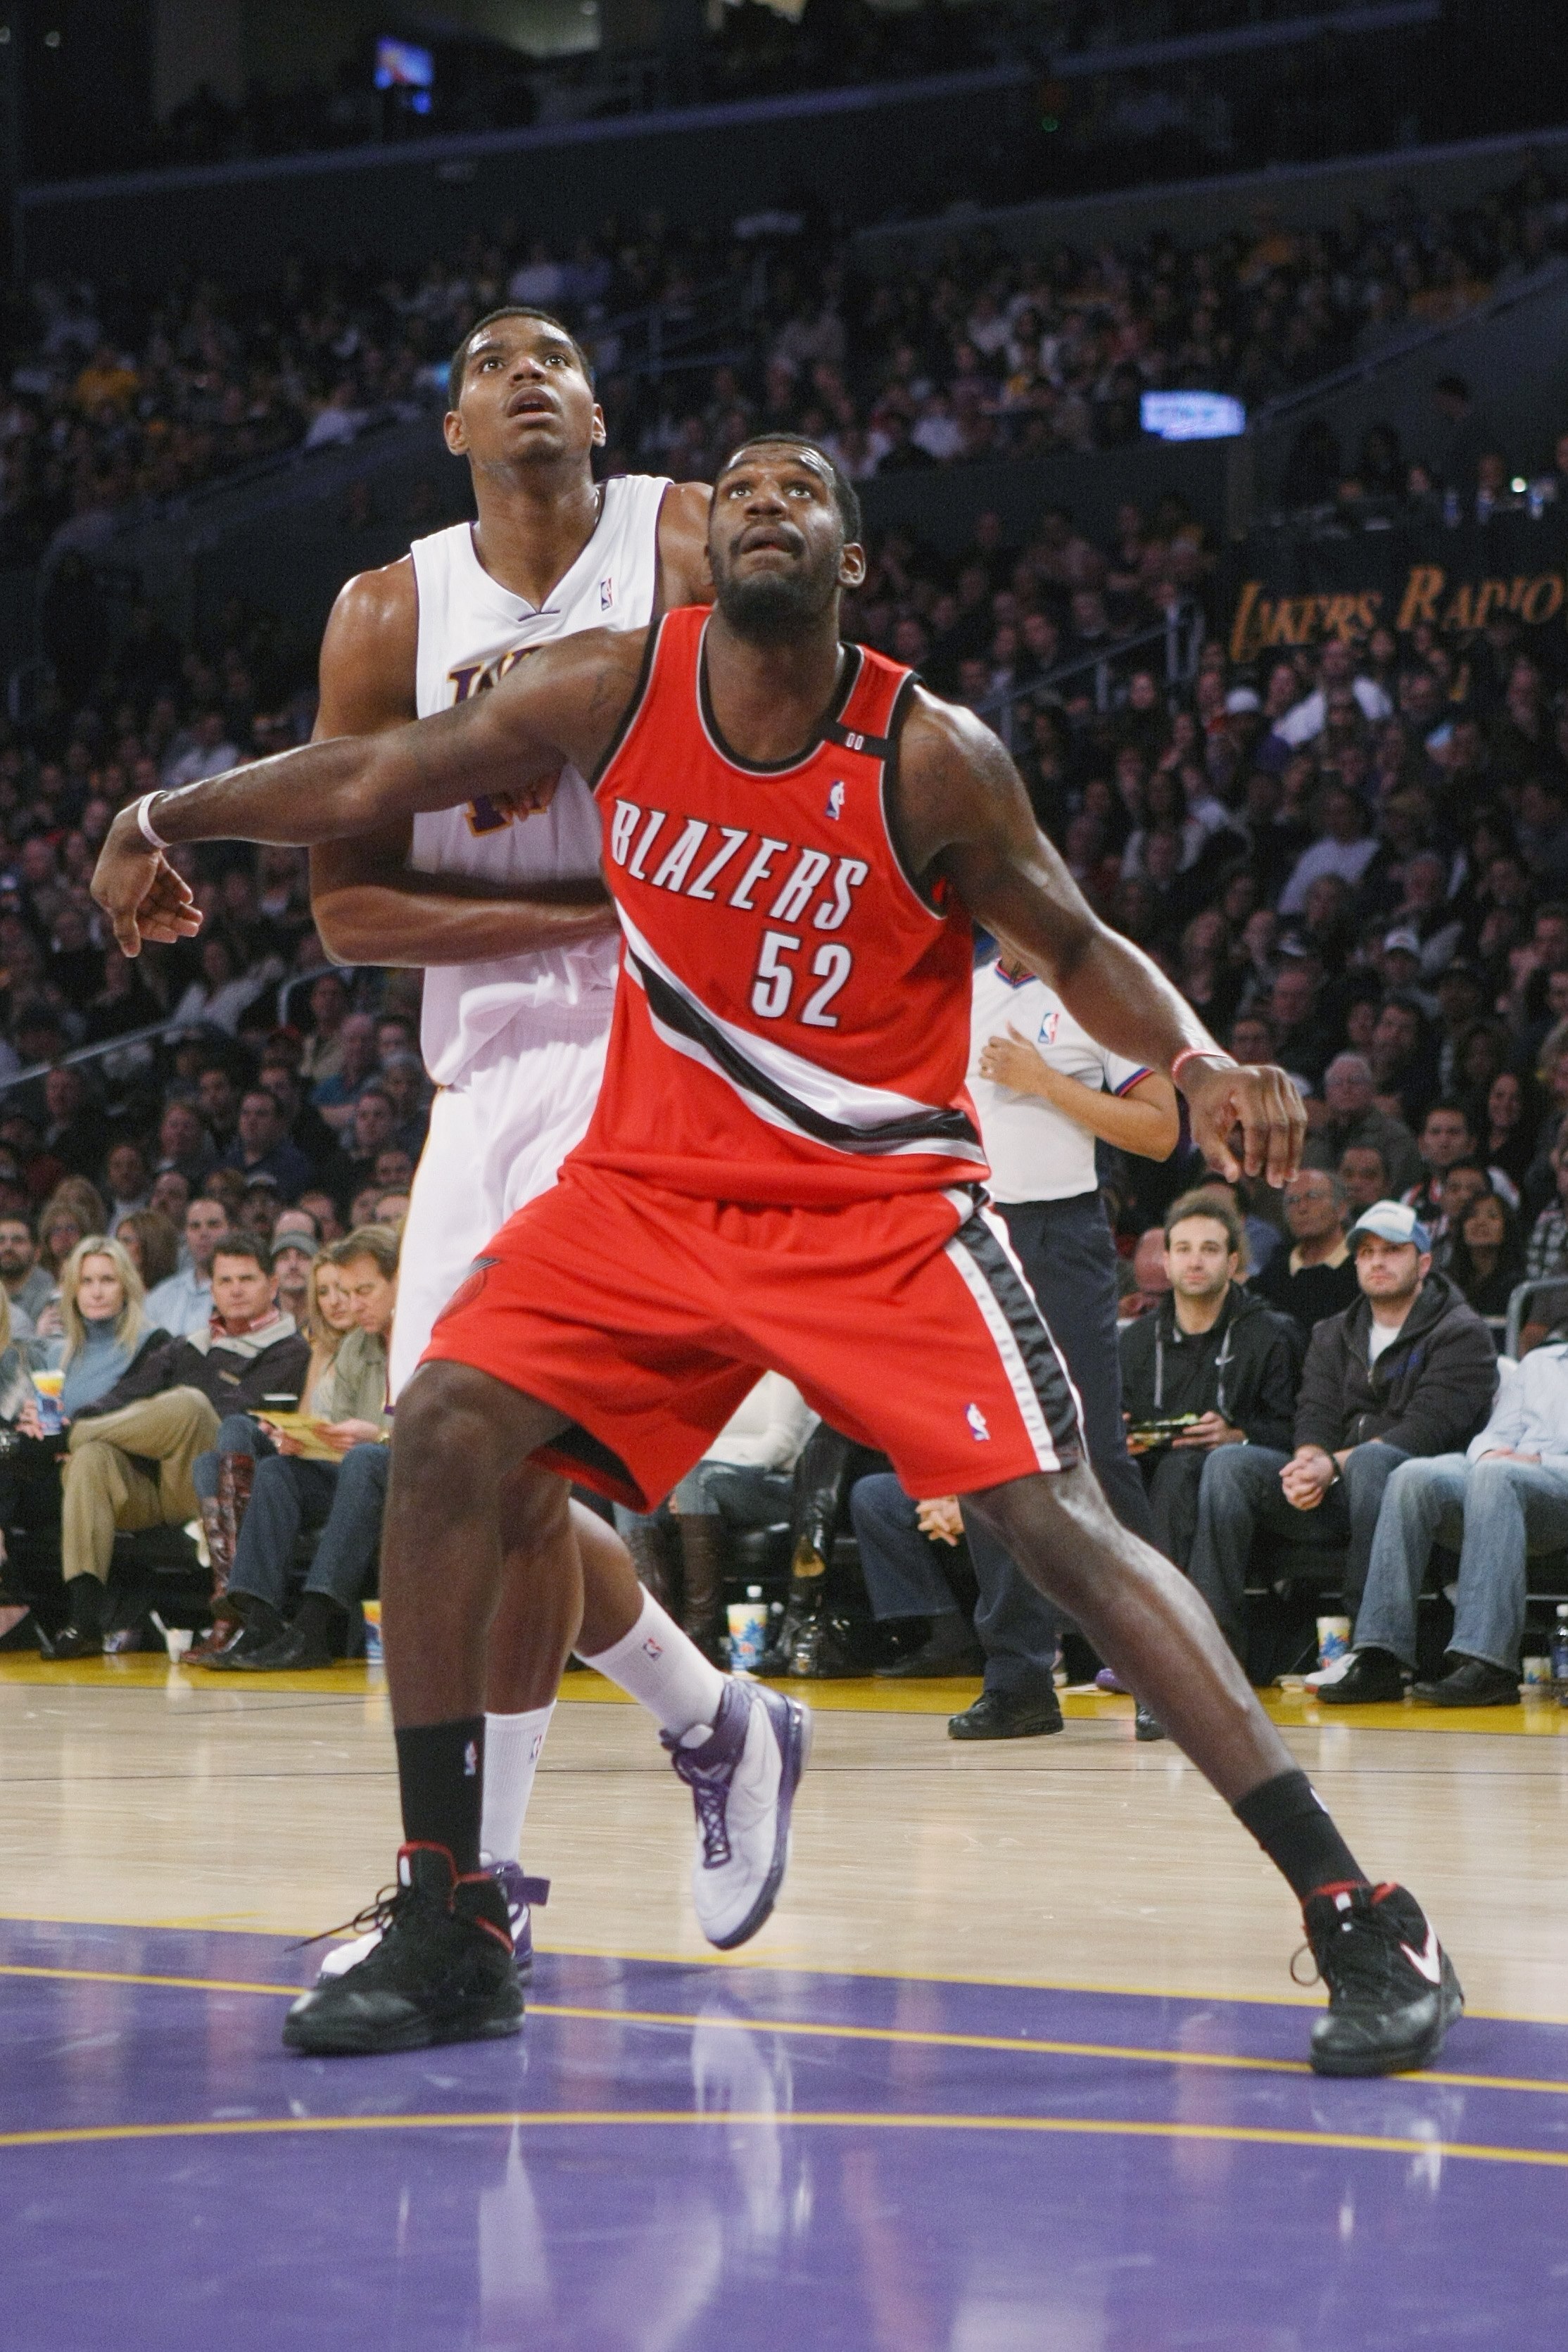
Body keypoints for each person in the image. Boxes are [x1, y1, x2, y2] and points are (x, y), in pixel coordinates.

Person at [95, 430, 1460, 2080]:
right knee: (450, 1430)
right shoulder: (613, 683)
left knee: (1058, 1522)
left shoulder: (930, 754)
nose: (763, 500)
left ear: (849, 563)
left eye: (801, 490)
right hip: (652, 1186)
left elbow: (1080, 942)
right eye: (740, 484)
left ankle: (1358, 1912)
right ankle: (453, 1912)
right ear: (704, 540)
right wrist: (165, 809)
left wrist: (1195, 1055)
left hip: (873, 1204)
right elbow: (380, 774)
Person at [284, 301, 776, 1972]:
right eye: (491, 364)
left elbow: (786, 753)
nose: (526, 379)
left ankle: (477, 1885)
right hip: (484, 1071)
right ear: (452, 431)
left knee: (504, 1456)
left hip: (660, 1057)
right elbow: (348, 906)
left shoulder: (689, 535)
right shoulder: (387, 612)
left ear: (599, 407)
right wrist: (592, 892)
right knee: (452, 1462)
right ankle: (717, 1716)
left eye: (554, 356)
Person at [944, 947, 1180, 1738]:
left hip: (1061, 1231)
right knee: (985, 1450)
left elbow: (1158, 1131)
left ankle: (1158, 1668)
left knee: (1092, 1445)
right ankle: (1017, 1678)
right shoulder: (956, 990)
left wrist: (1044, 1080)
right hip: (967, 1228)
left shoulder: (1098, 998)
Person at [1185, 1200, 1498, 1667]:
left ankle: (1371, 1650)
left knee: (1375, 1463)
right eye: (1366, 1252)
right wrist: (1308, 1462)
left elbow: (1426, 1431)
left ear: (1424, 1262)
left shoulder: (1461, 1331)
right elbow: (1315, 1413)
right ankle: (1211, 1649)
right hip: (1337, 1487)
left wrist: (1331, 1464)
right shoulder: (1333, 1331)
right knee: (1229, 1465)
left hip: (1423, 1498)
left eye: (1392, 1251)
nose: (1377, 1262)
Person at [44, 1232, 309, 1658]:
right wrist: (93, 1418)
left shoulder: (289, 1349)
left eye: (247, 1279)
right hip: (163, 1487)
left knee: (191, 1403)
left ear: (272, 1286)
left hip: (224, 1482)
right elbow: (126, 1393)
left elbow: (232, 1413)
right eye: (225, 1281)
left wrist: (78, 1429)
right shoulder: (187, 1345)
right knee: (91, 1459)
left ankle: (71, 1435)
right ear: (213, 1289)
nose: (236, 1290)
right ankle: (84, 1619)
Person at [1321, 1337, 1568, 1709]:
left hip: (1553, 1483)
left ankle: (1488, 1663)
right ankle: (1381, 1655)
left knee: (1498, 1476)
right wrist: (1488, 1453)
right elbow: (1494, 1435)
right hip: (1504, 1475)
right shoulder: (1539, 1363)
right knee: (1414, 1476)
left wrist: (1537, 1461)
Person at [208, 1227, 398, 1671]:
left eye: (365, 1290)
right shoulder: (355, 1346)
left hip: (418, 1475)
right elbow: (342, 1442)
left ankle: (312, 1627)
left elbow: (440, 1435)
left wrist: (380, 1436)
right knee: (278, 1471)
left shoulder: (428, 1339)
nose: (352, 1305)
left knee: (368, 1459)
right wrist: (312, 1443)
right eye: (347, 1293)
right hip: (362, 1475)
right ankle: (258, 1622)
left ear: (398, 1282)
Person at [1120, 1191, 1301, 1574]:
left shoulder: (1271, 1333)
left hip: (1243, 1477)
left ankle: (1169, 1617)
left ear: (1233, 1262)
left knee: (1182, 1467)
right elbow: (1116, 1416)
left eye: (1210, 1249)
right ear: (1166, 1263)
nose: (1196, 1261)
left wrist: (1236, 1435)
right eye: (1183, 1249)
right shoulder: (1135, 1340)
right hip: (1153, 1469)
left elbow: (1295, 1431)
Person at [1251, 1168, 1360, 1341]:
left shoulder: (1360, 1268)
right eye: (1292, 1201)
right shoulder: (1275, 1270)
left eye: (1312, 1197)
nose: (1301, 1208)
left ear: (1341, 1209)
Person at [1301, 1054, 1422, 1194]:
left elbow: (1401, 1190)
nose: (1346, 1088)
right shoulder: (1316, 1142)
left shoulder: (1395, 1138)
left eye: (1355, 1081)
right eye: (1336, 1082)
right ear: (1327, 1093)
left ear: (1372, 1089)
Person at [144, 1194, 229, 1337]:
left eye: (213, 1225)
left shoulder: (242, 1293)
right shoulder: (160, 1296)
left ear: (232, 1229)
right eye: (195, 1226)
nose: (204, 1233)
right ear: (185, 1234)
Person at [0, 1212, 54, 1333]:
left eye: (18, 1240)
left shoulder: (50, 1296)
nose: (8, 1247)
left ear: (37, 1253)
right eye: (1, 1240)